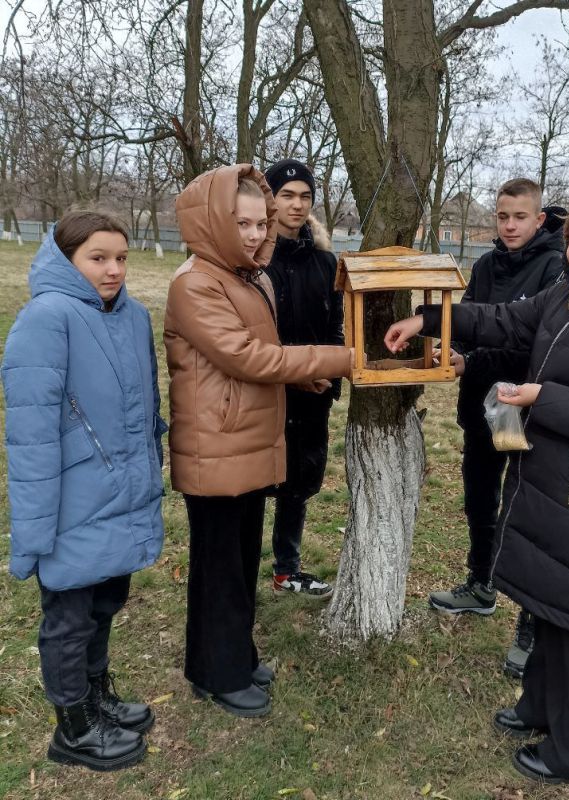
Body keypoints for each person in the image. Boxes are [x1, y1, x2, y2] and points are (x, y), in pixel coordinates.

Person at [385, 184, 569, 787]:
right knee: (547, 603)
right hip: (548, 481)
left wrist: (543, 398)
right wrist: (429, 318)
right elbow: (502, 318)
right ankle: (538, 707)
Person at [164, 164, 352, 719]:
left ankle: (233, 656)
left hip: (244, 444)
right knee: (220, 565)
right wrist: (341, 360)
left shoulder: (245, 276)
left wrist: (304, 374)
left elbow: (260, 355)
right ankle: (217, 675)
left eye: (258, 223)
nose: (252, 234)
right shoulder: (196, 282)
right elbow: (247, 357)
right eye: (240, 223)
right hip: (216, 448)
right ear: (213, 222)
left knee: (242, 558)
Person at [1, 211, 167, 771]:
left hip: (119, 498)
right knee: (69, 620)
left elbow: (147, 414)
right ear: (67, 258)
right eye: (98, 258)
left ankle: (96, 700)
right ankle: (71, 727)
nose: (114, 269)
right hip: (73, 505)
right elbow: (31, 437)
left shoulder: (134, 316)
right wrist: (34, 530)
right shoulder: (46, 319)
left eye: (121, 257)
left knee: (105, 604)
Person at [427, 178, 565, 679]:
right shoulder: (484, 266)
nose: (508, 225)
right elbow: (471, 320)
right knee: (480, 499)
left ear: (539, 220)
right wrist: (455, 351)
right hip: (482, 407)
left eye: (519, 217)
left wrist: (475, 357)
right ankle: (480, 583)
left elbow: (531, 342)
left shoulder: (557, 268)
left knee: (523, 511)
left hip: (523, 409)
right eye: (502, 216)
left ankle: (529, 623)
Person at [262, 158, 344, 598]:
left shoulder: (325, 261)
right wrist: (289, 377)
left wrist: (329, 379)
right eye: (287, 195)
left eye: (305, 196)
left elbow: (335, 329)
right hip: (266, 394)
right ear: (270, 200)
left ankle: (286, 569)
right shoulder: (254, 260)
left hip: (313, 396)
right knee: (258, 482)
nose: (296, 204)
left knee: (298, 484)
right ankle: (239, 567)